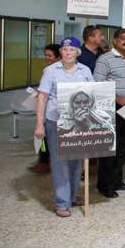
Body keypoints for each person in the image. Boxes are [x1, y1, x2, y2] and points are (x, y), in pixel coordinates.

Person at [34, 37, 94, 217]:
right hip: (55, 121)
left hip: (78, 122)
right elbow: (42, 98)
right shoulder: (50, 71)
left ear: (77, 52)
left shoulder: (85, 70)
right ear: (61, 52)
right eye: (64, 49)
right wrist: (39, 124)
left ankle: (72, 196)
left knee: (76, 160)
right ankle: (62, 202)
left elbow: (93, 94)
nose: (67, 52)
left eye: (71, 49)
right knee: (59, 162)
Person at [94, 29, 125, 199]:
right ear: (115, 41)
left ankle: (117, 180)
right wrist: (117, 97)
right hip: (110, 108)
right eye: (122, 39)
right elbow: (97, 84)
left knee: (123, 146)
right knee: (110, 147)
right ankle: (105, 185)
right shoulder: (105, 59)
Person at [30, 43, 61, 175]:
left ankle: (49, 162)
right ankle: (44, 161)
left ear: (58, 57)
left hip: (57, 113)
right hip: (46, 112)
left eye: (50, 56)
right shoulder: (48, 70)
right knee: (43, 139)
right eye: (46, 55)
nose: (47, 58)